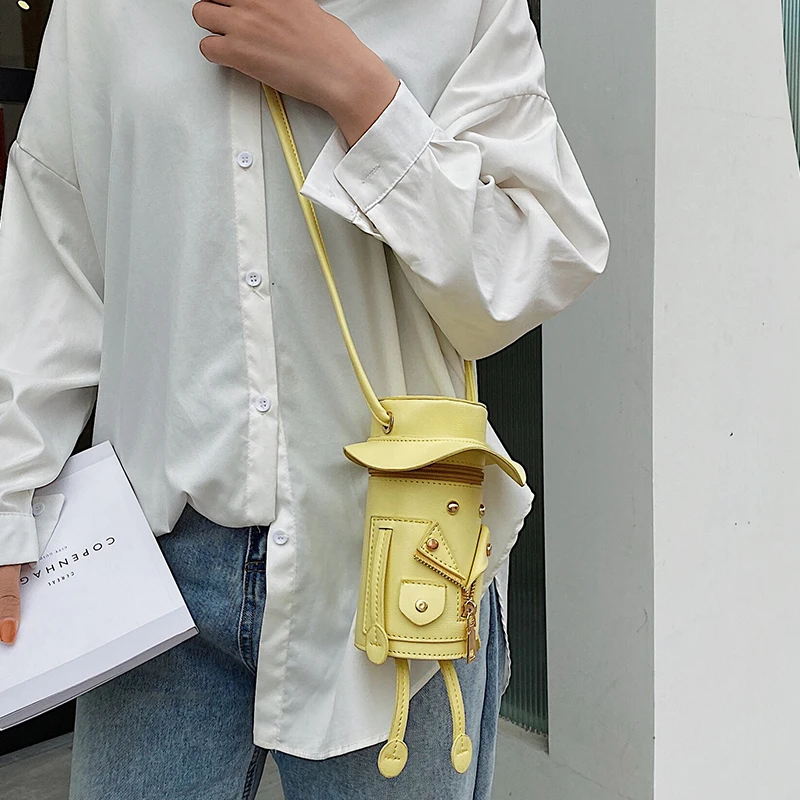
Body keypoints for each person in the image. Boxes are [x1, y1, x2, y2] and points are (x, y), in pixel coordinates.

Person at [0, 0, 609, 797]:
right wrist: (10, 492)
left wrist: (363, 94)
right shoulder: (108, 13)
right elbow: (53, 252)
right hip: (156, 559)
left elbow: (531, 265)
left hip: (400, 562)